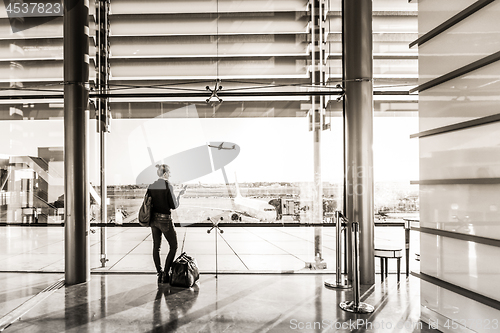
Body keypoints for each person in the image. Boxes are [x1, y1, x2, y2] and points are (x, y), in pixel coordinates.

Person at [147, 164, 186, 284]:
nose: (170, 175)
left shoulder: (151, 186)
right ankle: (166, 272)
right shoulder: (168, 185)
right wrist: (179, 196)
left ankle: (159, 273)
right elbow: (173, 205)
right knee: (173, 246)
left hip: (153, 220)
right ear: (165, 174)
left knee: (156, 247)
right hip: (165, 220)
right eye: (169, 173)